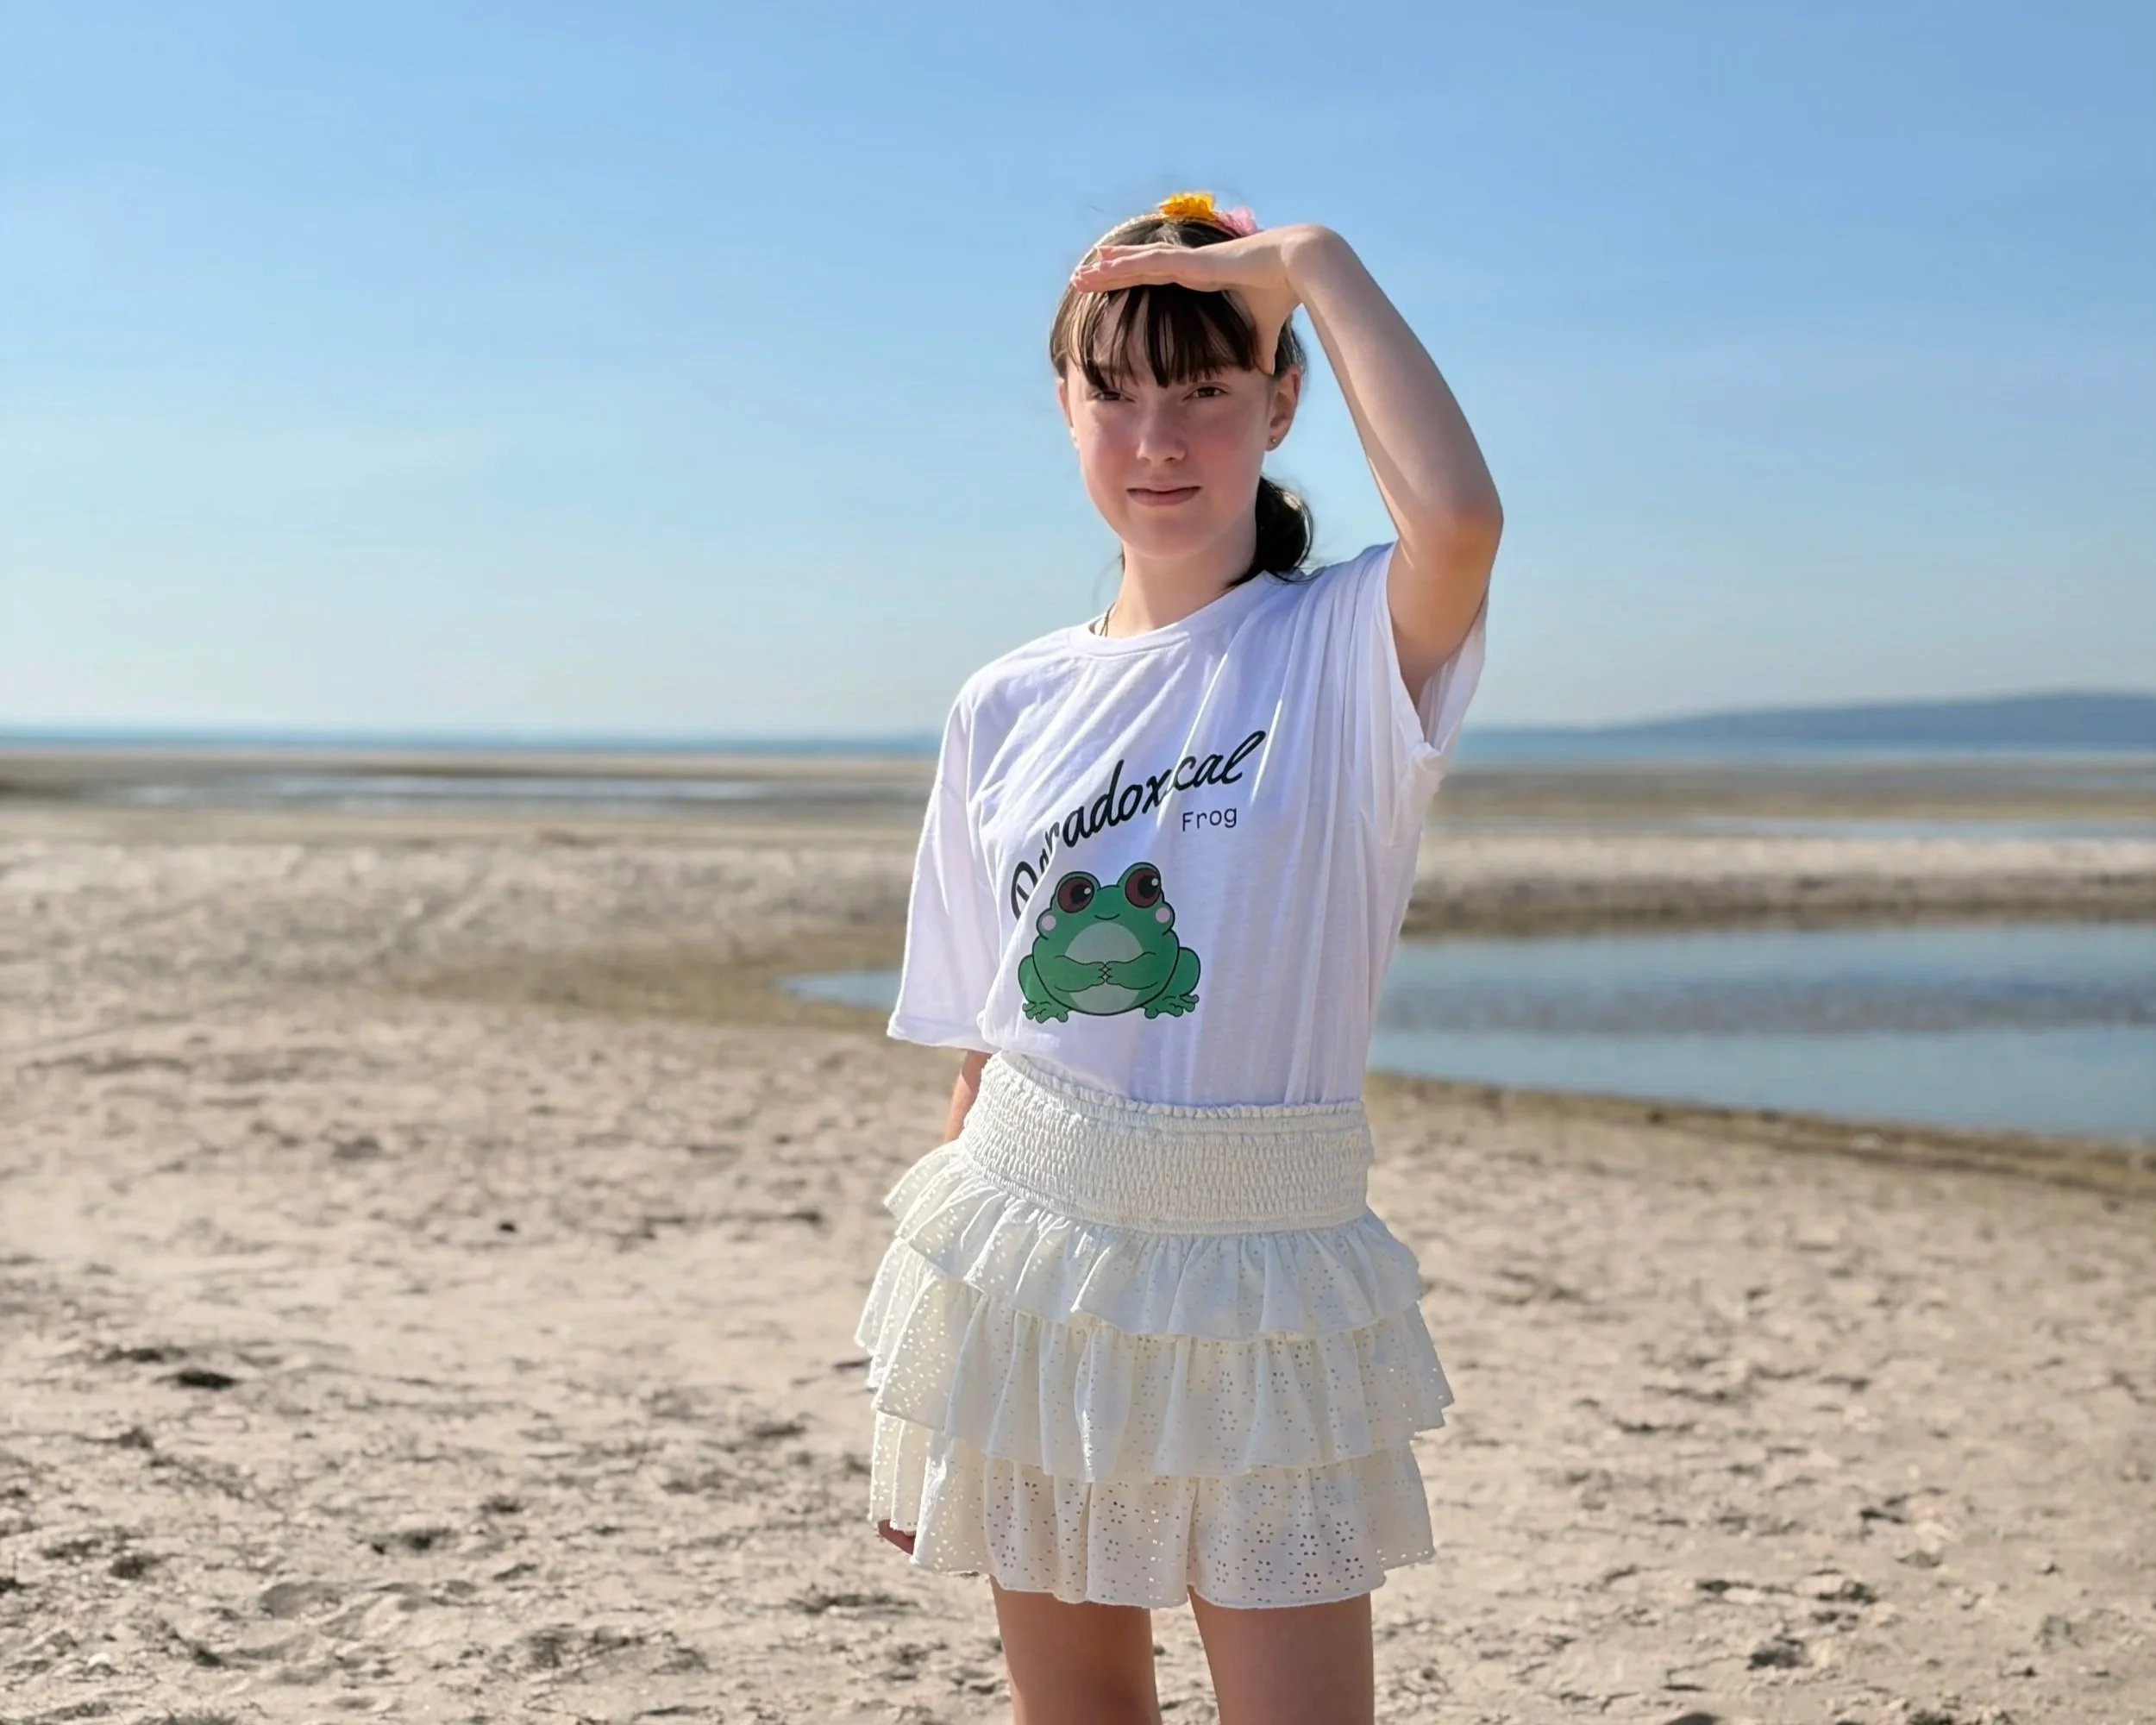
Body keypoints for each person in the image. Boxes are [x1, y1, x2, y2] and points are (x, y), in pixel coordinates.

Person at [853, 189, 1502, 1725]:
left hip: (1268, 1260)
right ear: (1066, 410)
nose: (1159, 438)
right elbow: (984, 1044)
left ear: (1282, 404)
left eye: (1206, 390)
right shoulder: (1002, 705)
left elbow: (1463, 520)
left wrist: (1309, 265)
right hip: (1032, 1249)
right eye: (1116, 391)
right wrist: (929, 1389)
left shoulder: (1346, 645)